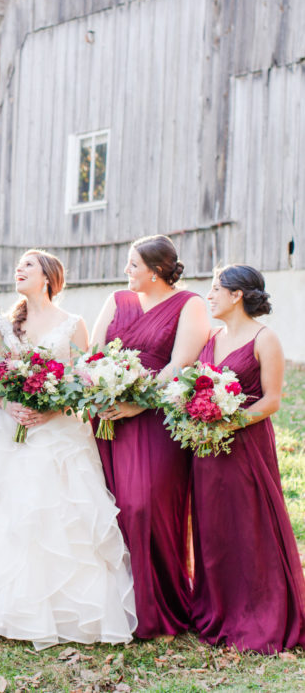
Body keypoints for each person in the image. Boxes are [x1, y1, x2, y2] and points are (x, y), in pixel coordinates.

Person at [0, 250, 137, 650]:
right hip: (10, 429)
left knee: (61, 517)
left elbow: (85, 382)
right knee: (8, 515)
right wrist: (8, 405)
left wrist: (54, 409)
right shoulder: (5, 325)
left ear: (47, 277)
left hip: (60, 433)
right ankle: (4, 607)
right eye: (18, 267)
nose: (19, 271)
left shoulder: (73, 324)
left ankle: (68, 610)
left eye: (28, 266)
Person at [90, 234, 210, 638]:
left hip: (155, 418)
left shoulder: (190, 304)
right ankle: (113, 605)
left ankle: (157, 605)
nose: (127, 271)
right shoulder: (117, 300)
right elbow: (94, 351)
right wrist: (102, 389)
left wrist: (140, 401)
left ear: (157, 271)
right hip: (107, 418)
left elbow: (181, 363)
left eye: (134, 265)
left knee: (146, 506)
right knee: (110, 505)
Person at [190, 264, 305, 652]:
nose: (209, 295)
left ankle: (259, 612)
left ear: (237, 295)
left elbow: (272, 400)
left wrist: (227, 422)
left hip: (245, 447)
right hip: (206, 450)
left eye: (215, 288)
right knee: (214, 528)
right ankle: (218, 608)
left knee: (248, 525)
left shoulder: (265, 338)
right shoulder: (211, 336)